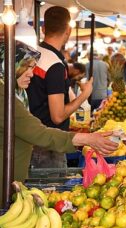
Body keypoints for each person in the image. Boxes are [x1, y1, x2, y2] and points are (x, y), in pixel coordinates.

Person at [0, 39, 119, 197]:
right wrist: (88, 139)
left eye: (33, 67)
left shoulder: (16, 94)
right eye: (26, 67)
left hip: (11, 183)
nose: (31, 73)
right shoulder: (3, 97)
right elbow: (40, 134)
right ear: (9, 66)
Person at [26, 6, 93, 168]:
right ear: (68, 31)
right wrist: (85, 94)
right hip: (48, 145)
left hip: (29, 138)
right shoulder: (55, 65)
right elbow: (58, 116)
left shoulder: (31, 54)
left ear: (43, 29)